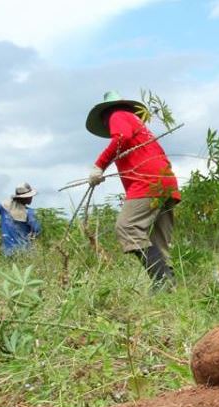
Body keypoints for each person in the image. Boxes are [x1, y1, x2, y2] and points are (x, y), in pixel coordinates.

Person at [85, 90, 180, 285]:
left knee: (127, 227)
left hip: (148, 181)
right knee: (158, 240)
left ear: (105, 114)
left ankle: (162, 281)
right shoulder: (139, 126)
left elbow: (120, 137)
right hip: (165, 180)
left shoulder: (116, 114)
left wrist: (99, 166)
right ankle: (170, 286)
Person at [0, 183, 41, 255]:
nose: (31, 198)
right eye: (30, 196)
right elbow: (37, 231)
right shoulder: (29, 213)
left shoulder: (4, 207)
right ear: (25, 198)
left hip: (7, 252)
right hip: (25, 251)